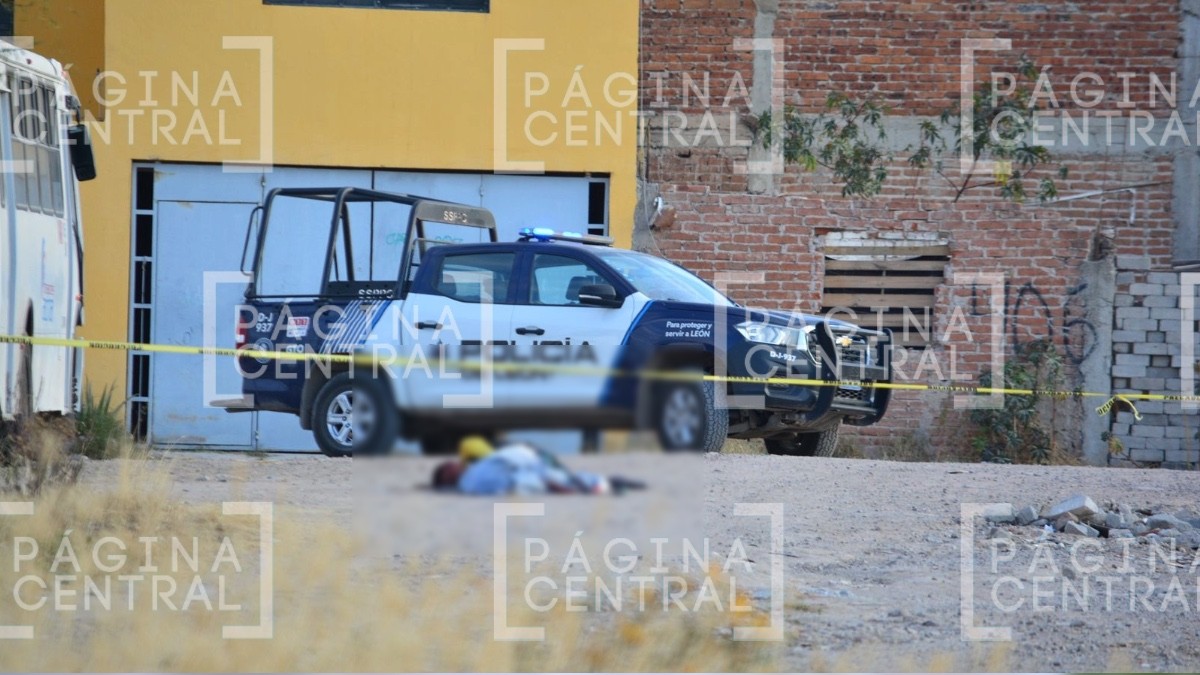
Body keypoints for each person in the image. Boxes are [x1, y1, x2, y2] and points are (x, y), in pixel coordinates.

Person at [430, 436, 646, 496]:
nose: (457, 464)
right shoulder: (472, 479)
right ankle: (612, 484)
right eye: (451, 466)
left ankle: (611, 484)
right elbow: (507, 476)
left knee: (571, 480)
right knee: (571, 480)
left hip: (528, 464)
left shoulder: (472, 476)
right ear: (448, 475)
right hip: (528, 467)